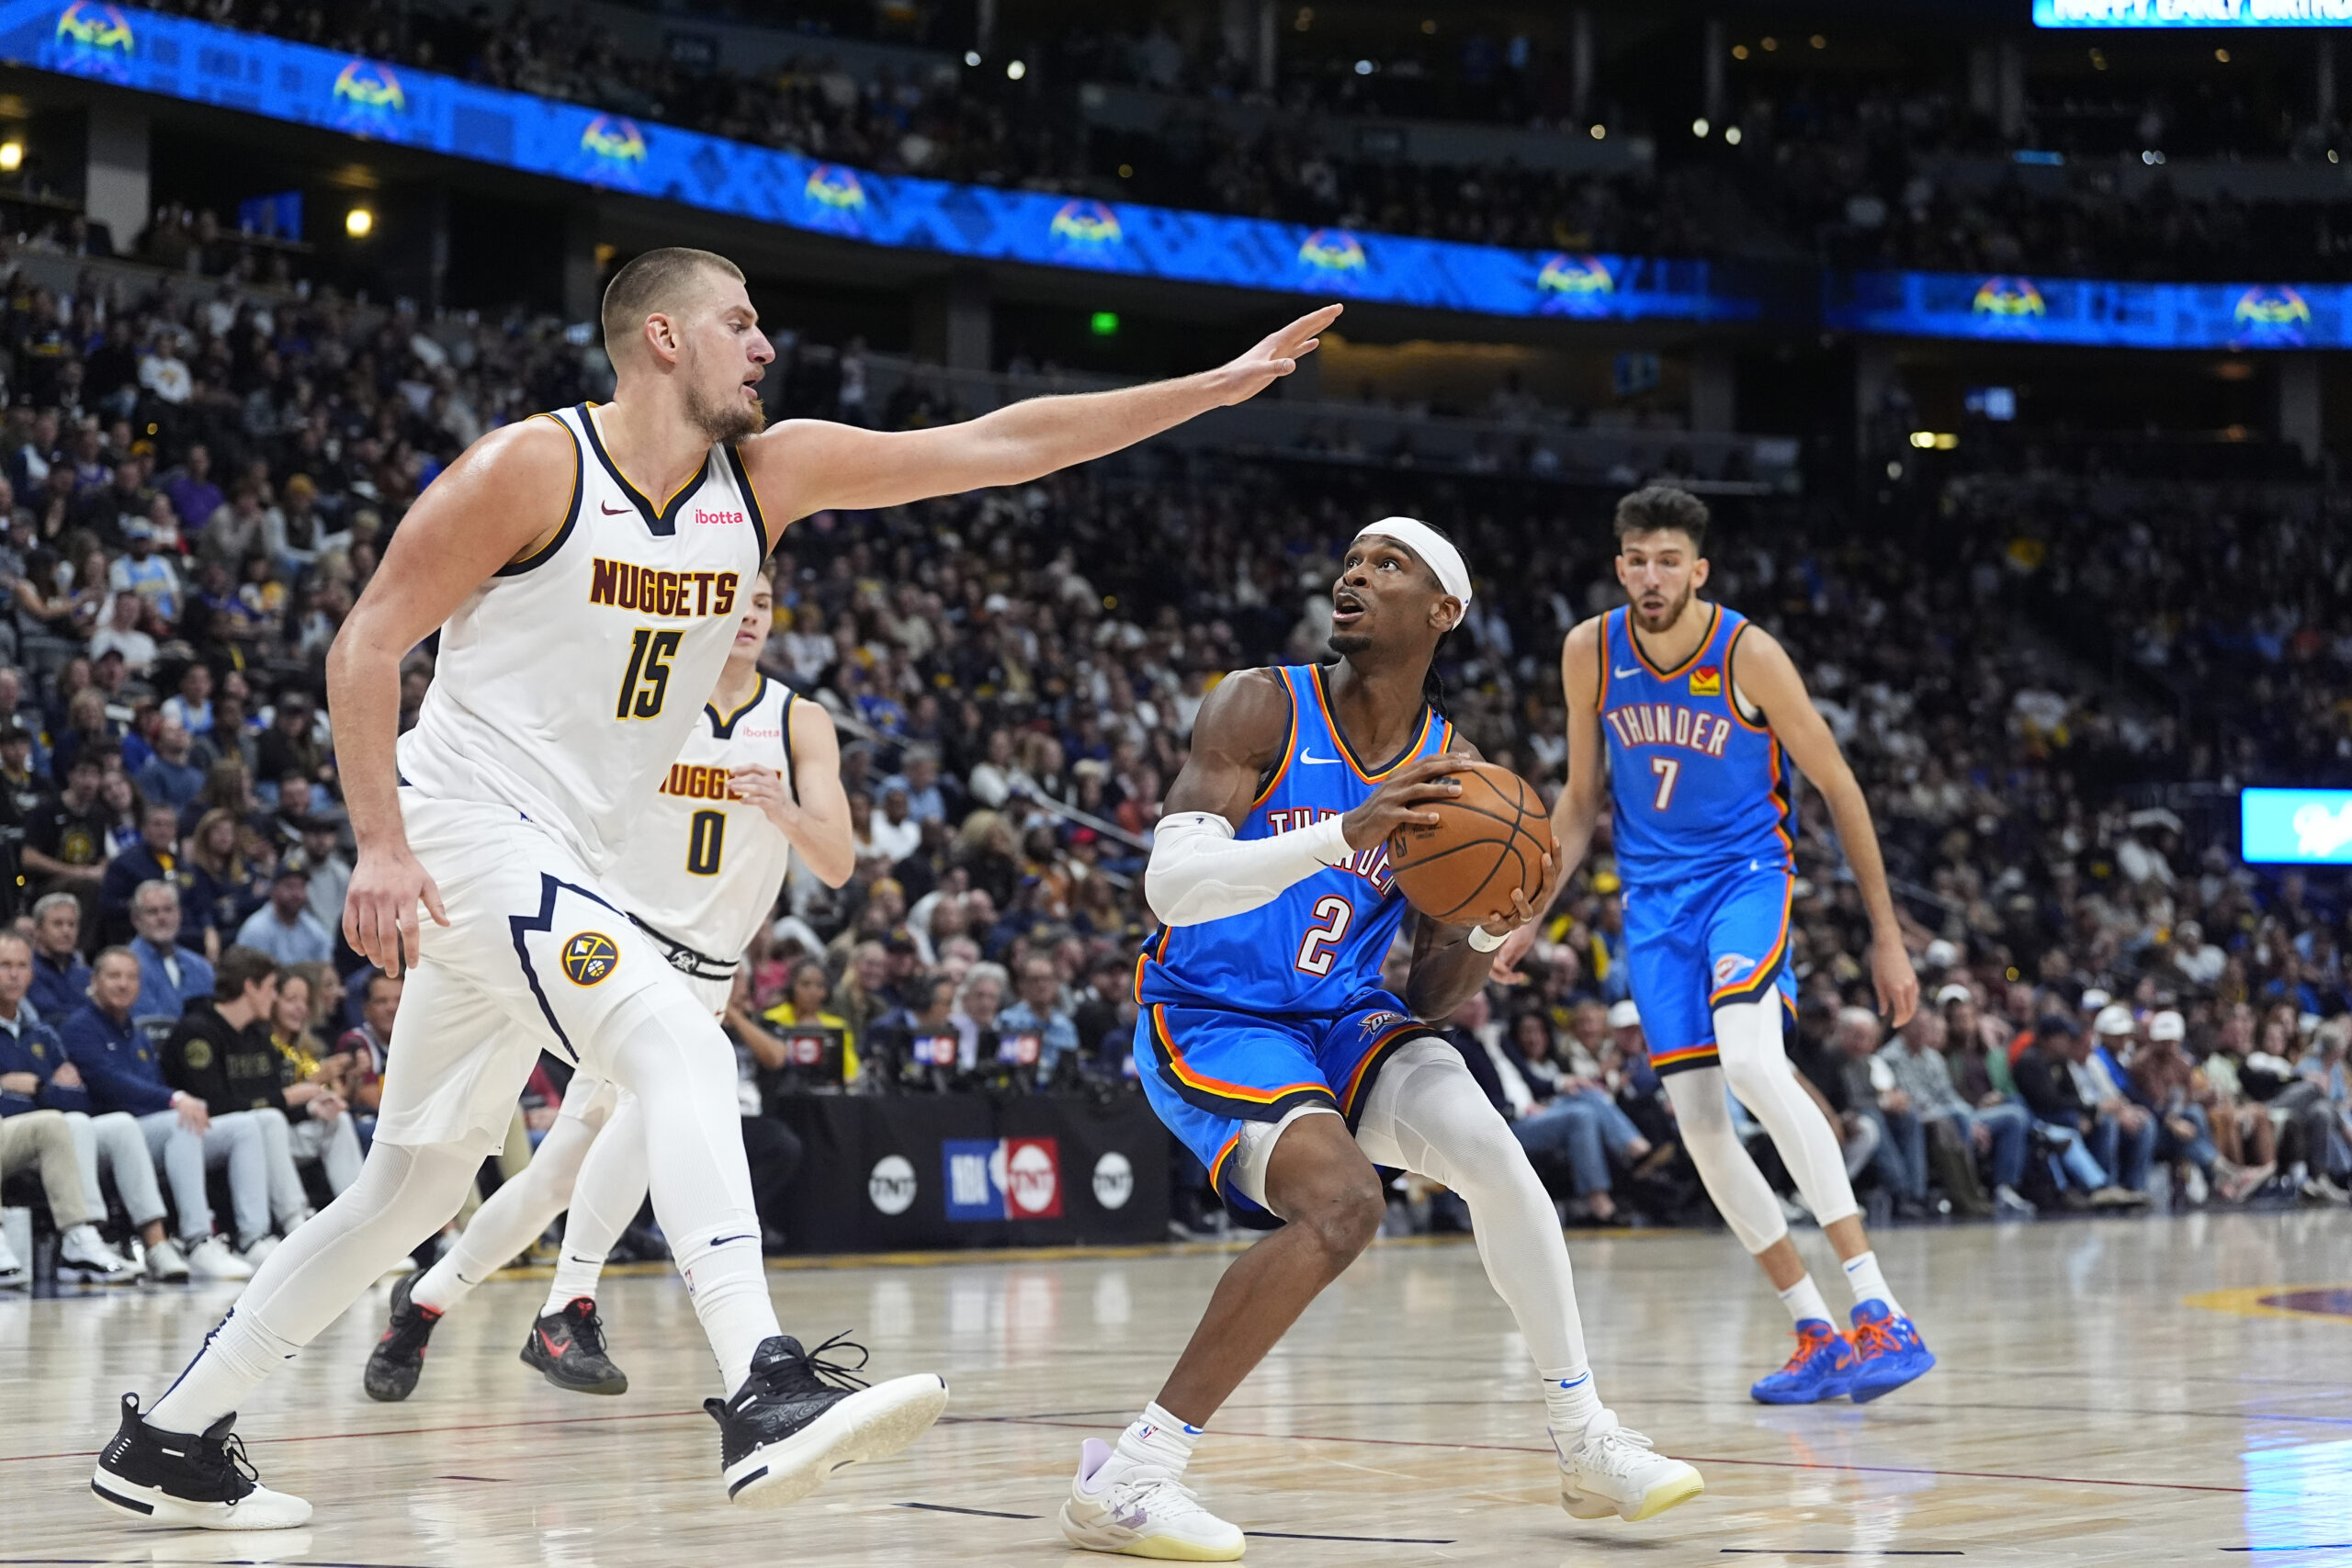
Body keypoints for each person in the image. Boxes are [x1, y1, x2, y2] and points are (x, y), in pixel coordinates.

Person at [102, 247, 1332, 1528]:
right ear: (661, 340)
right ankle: (762, 1381)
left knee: (408, 1186)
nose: (764, 344)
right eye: (740, 321)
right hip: (465, 826)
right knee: (675, 1039)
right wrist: (377, 845)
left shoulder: (769, 476)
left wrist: (1211, 385)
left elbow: (1001, 443)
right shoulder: (534, 466)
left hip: (556, 858)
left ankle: (175, 1435)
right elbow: (365, 642)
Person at [1062, 518, 1699, 1561]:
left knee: (1494, 1154)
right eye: (1352, 560)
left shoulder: (1456, 774)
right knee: (1345, 1204)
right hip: (1215, 1013)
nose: (1354, 574)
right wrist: (1342, 830)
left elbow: (1439, 988)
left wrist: (1492, 923)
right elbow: (1169, 890)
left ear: (1442, 611)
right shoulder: (1259, 704)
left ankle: (1585, 1440)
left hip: (1346, 1016)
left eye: (1386, 565)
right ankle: (1130, 1476)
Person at [1494, 485, 1933, 1406]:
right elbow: (1580, 802)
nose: (1651, 577)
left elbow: (1838, 788)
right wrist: (1532, 905)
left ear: (1698, 570)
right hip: (1652, 906)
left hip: (1742, 880)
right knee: (1697, 1125)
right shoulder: (1589, 651)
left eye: (1668, 561)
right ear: (1619, 565)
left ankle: (1880, 1309)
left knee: (1753, 1066)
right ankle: (1814, 1328)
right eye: (1636, 560)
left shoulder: (1747, 653)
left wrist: (1886, 937)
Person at [365, 572, 853, 1400]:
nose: (749, 616)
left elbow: (836, 862)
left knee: (559, 1176)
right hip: (617, 946)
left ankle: (426, 1299)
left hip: (711, 971)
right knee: (635, 1118)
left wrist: (786, 811)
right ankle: (567, 1305)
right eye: (736, 599)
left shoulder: (797, 719)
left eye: (764, 604)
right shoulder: (657, 697)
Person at [60, 944, 264, 1279]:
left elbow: (151, 1088)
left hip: (146, 1133)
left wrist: (172, 1100)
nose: (123, 984)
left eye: (130, 977)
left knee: (245, 1126)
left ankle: (256, 1236)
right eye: (113, 976)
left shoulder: (136, 1034)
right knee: (179, 1121)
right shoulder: (79, 1027)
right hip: (105, 1134)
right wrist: (174, 1098)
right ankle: (198, 1240)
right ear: (94, 980)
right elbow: (108, 1083)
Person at [129, 878, 215, 1029]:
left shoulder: (201, 967)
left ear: (179, 915)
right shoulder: (128, 967)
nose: (162, 918)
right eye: (152, 912)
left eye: (168, 910)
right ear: (136, 919)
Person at [232, 857, 334, 966]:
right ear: (273, 889)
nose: (296, 894)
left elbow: (326, 969)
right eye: (290, 886)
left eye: (301, 887)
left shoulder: (314, 929)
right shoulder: (256, 930)